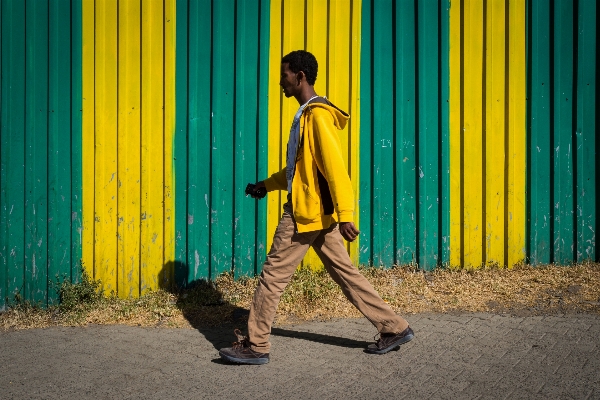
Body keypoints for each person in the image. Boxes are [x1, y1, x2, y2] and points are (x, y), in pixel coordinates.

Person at [219, 50, 413, 365]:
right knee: (345, 272)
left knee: (273, 276)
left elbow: (336, 170)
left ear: (300, 77)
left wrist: (347, 214)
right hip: (319, 214)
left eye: (284, 75)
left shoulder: (317, 116)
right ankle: (394, 327)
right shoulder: (306, 115)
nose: (281, 82)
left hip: (304, 214)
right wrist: (266, 185)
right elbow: (301, 170)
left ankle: (256, 346)